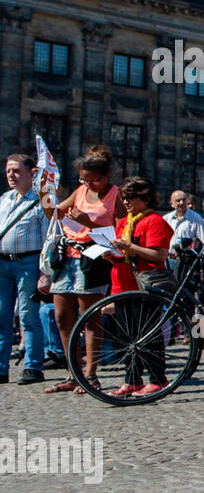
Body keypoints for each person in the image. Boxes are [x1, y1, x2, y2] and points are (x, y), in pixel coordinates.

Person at [45, 146, 123, 395]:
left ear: (107, 175)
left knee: (90, 318)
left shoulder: (115, 196)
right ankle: (73, 373)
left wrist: (87, 223)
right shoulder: (80, 192)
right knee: (62, 318)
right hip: (66, 257)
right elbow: (55, 215)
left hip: (93, 259)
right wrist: (44, 189)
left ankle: (90, 374)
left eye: (94, 180)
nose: (89, 184)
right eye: (84, 179)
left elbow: (119, 234)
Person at [103, 175, 173, 398]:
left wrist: (129, 246)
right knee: (127, 337)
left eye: (130, 197)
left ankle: (157, 379)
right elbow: (122, 253)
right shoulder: (125, 222)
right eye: (123, 197)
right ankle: (131, 379)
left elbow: (159, 254)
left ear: (145, 198)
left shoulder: (154, 221)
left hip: (144, 284)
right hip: (121, 284)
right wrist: (109, 253)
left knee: (147, 334)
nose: (126, 201)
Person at [0, 153, 50, 385]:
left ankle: (33, 366)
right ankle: (1, 368)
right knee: (2, 317)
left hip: (29, 264)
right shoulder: (5, 199)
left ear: (31, 173)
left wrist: (45, 272)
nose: (11, 175)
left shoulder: (43, 200)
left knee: (29, 317)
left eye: (16, 170)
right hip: (2, 263)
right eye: (8, 170)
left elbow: (49, 239)